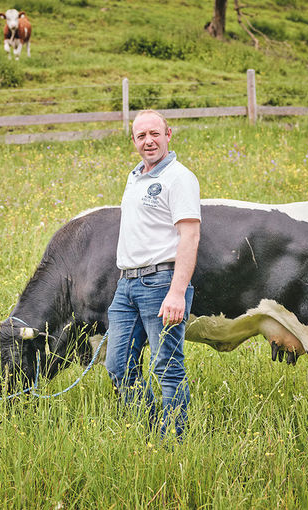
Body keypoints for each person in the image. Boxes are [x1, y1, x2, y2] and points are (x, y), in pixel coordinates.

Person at [105, 109, 201, 440]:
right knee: (117, 367)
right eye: (141, 136)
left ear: (168, 134)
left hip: (161, 283)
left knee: (167, 367)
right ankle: (152, 429)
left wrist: (177, 292)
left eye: (154, 134)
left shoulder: (179, 177)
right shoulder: (135, 177)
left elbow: (190, 236)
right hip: (126, 285)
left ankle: (173, 441)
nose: (149, 141)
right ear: (133, 141)